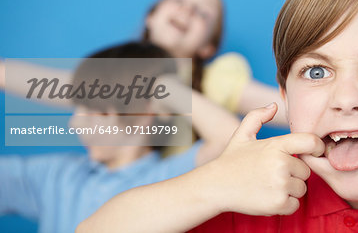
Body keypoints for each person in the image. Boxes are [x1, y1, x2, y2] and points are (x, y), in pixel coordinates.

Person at [76, 0, 358, 233]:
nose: (346, 97)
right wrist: (215, 184)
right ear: (286, 96)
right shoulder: (252, 198)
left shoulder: (220, 77)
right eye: (316, 71)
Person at [0, 42, 240, 233]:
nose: (74, 122)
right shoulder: (57, 176)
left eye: (92, 108)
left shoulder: (170, 179)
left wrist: (163, 87)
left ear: (145, 111)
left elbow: (232, 139)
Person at [0, 0, 287, 127]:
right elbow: (55, 86)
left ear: (207, 48)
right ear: (151, 16)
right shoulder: (119, 76)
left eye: (203, 12)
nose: (187, 9)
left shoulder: (217, 81)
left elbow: (286, 109)